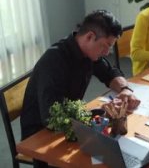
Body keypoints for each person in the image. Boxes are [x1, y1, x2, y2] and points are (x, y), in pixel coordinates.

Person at [20, 10, 141, 167]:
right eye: (105, 46)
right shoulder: (54, 60)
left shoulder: (89, 51)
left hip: (72, 121)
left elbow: (110, 73)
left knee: (115, 151)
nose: (107, 52)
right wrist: (94, 114)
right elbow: (50, 116)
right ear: (90, 36)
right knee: (105, 157)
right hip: (42, 133)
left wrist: (125, 90)